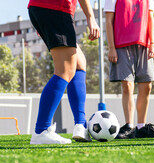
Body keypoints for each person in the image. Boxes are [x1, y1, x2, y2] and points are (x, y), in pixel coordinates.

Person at [28, 0, 100, 144]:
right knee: (65, 70)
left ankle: (81, 125)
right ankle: (41, 130)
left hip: (44, 7)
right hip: (55, 7)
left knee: (79, 64)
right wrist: (91, 17)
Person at [105, 0, 154, 139]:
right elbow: (108, 21)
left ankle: (141, 127)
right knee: (127, 85)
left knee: (146, 86)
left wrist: (153, 44)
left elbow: (150, 19)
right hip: (121, 45)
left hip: (143, 44)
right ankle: (129, 126)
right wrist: (111, 48)